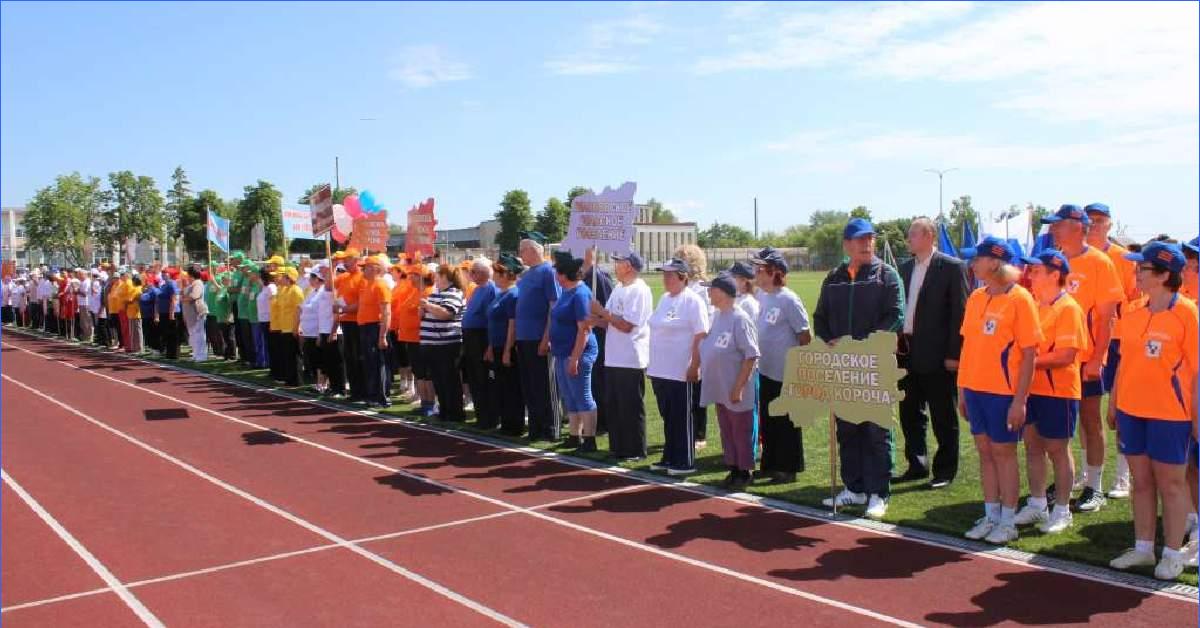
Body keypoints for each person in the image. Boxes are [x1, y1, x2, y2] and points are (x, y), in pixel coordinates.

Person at [1107, 242, 1198, 581]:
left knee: (1171, 486)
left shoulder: (1188, 313)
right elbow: (1123, 364)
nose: (1136, 273)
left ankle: (1172, 554)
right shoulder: (1132, 312)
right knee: (1141, 483)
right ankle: (1143, 548)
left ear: (1162, 275)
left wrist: (1196, 418)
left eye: (1142, 269)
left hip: (1171, 415)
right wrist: (1115, 402)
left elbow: (1198, 372)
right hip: (1133, 412)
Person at [814, 219, 904, 520]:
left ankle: (879, 492)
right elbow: (821, 318)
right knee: (848, 429)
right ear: (846, 244)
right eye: (859, 239)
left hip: (875, 366)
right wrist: (829, 341)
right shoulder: (834, 278)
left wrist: (859, 344)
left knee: (877, 431)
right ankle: (855, 487)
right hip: (843, 369)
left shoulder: (886, 275)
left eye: (870, 238)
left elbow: (896, 317)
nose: (866, 244)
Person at [956, 236, 1041, 544]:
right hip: (975, 390)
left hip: (1003, 393)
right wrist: (962, 389)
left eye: (976, 258)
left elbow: (1030, 353)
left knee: (1004, 454)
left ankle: (1008, 520)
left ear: (994, 262)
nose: (972, 263)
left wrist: (1020, 401)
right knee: (985, 453)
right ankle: (990, 515)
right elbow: (967, 348)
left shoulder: (1021, 299)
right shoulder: (976, 297)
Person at [1043, 204, 1123, 512]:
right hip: (1055, 359)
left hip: (1085, 358)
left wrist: (1097, 359)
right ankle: (1064, 481)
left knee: (1091, 420)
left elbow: (1107, 319)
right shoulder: (1055, 261)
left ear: (1077, 227)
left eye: (1058, 224)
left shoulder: (1100, 263)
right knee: (1059, 424)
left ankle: (1095, 486)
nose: (1053, 229)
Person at [1010, 250, 1087, 535]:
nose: (1030, 275)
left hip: (1059, 392)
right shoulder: (1035, 305)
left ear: (1056, 275)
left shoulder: (1069, 308)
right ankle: (1037, 503)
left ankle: (1063, 509)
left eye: (1037, 271)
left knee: (1057, 449)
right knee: (1032, 446)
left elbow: (1066, 356)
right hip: (1033, 390)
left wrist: (1025, 363)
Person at [896, 217, 970, 489]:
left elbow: (959, 314)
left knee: (942, 413)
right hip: (905, 350)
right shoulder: (904, 269)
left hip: (938, 353)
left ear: (928, 236)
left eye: (913, 234)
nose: (908, 239)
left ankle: (945, 470)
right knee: (909, 410)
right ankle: (917, 463)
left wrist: (954, 354)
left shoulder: (951, 267)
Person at [1083, 203, 1141, 499]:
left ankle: (1122, 475)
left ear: (1109, 224)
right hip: (1085, 342)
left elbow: (1134, 297)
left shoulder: (1121, 257)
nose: (1093, 225)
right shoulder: (1073, 257)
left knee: (1120, 408)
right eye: (1089, 220)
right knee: (1087, 412)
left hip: (1118, 340)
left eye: (1099, 221)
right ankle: (1088, 473)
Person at [751, 246, 813, 485]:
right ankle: (770, 463)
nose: (756, 272)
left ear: (774, 271)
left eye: (760, 268)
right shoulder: (763, 296)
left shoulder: (788, 299)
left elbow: (804, 335)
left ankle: (788, 468)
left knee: (787, 422)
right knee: (769, 419)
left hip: (786, 372)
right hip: (766, 369)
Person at [647, 257, 709, 476]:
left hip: (681, 369)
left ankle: (685, 460)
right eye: (663, 274)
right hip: (660, 369)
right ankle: (670, 455)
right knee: (668, 416)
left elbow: (701, 334)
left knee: (682, 416)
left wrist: (695, 365)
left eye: (670, 274)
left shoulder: (692, 301)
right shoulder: (664, 298)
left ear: (683, 277)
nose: (665, 278)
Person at [699, 271, 760, 490]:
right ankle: (733, 468)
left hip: (735, 388)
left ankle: (744, 471)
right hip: (720, 387)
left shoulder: (740, 318)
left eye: (711, 289)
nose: (708, 293)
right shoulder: (719, 316)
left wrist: (739, 387)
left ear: (722, 293)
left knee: (740, 430)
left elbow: (751, 355)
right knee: (727, 430)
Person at [591, 251, 654, 461]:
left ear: (629, 266)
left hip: (630, 356)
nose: (614, 265)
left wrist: (602, 312)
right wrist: (593, 318)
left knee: (631, 405)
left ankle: (635, 449)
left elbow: (627, 325)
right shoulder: (618, 287)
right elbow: (609, 320)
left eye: (618, 262)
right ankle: (617, 447)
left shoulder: (639, 290)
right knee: (614, 403)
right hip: (613, 356)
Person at [550, 251, 599, 452]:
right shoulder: (566, 292)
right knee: (569, 394)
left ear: (563, 275)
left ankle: (589, 439)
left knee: (582, 394)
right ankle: (574, 435)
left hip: (578, 352)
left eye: (557, 272)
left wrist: (575, 358)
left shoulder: (580, 294)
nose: (555, 276)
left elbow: (584, 330)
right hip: (562, 351)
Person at [514, 234, 562, 441]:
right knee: (530, 385)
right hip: (523, 338)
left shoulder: (548, 272)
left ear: (534, 251)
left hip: (538, 337)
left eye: (522, 250)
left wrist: (547, 337)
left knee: (544, 386)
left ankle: (551, 428)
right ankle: (535, 427)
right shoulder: (526, 275)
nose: (519, 254)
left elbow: (554, 306)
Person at [675, 243, 712, 450]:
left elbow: (707, 321)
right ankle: (684, 429)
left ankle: (699, 434)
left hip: (698, 345)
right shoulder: (682, 288)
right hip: (680, 346)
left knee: (698, 392)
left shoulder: (703, 288)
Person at [419, 264, 467, 420]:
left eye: (438, 275)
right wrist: (422, 309)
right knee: (439, 380)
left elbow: (446, 314)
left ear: (445, 276)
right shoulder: (435, 294)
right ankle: (444, 410)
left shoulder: (454, 293)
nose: (436, 279)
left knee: (450, 380)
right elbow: (425, 315)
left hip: (447, 344)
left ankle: (455, 412)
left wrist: (428, 306)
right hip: (432, 344)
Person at [485, 254, 525, 434]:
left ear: (505, 275)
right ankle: (505, 421)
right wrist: (491, 347)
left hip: (507, 347)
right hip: (497, 345)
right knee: (500, 385)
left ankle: (514, 424)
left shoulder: (513, 294)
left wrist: (508, 350)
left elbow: (512, 324)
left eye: (496, 274)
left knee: (511, 386)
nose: (493, 277)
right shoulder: (501, 294)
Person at [580, 247, 615, 434]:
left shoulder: (598, 278)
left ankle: (603, 421)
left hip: (600, 337)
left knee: (598, 380)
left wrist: (598, 320)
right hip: (585, 336)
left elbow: (609, 310)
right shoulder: (582, 277)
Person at [352, 254, 394, 408]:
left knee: (378, 362)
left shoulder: (381, 285)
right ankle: (372, 394)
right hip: (365, 327)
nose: (362, 269)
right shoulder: (366, 285)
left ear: (375, 269)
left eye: (365, 267)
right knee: (369, 363)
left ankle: (381, 396)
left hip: (375, 327)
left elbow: (386, 312)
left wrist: (382, 335)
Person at [462, 257, 498, 425]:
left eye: (473, 272)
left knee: (483, 377)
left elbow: (491, 319)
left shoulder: (491, 289)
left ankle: (489, 416)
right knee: (474, 376)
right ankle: (481, 414)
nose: (470, 275)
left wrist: (490, 345)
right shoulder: (477, 289)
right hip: (471, 338)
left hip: (481, 337)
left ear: (482, 273)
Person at [398, 264, 435, 414]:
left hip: (422, 338)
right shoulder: (414, 292)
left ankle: (430, 404)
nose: (410, 277)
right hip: (411, 338)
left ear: (422, 277)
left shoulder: (429, 292)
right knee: (419, 372)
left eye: (413, 274)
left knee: (426, 372)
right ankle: (424, 402)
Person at [335, 248, 366, 402]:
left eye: (348, 259)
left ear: (356, 260)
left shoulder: (362, 277)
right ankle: (355, 391)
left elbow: (361, 302)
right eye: (344, 260)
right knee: (350, 358)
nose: (345, 262)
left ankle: (362, 391)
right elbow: (329, 287)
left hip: (357, 322)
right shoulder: (343, 277)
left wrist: (345, 308)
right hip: (346, 322)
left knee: (358, 357)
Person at [274, 267, 305, 386]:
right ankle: (289, 378)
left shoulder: (296, 290)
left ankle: (297, 379)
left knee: (295, 354)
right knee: (287, 354)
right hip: (284, 327)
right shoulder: (286, 290)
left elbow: (300, 310)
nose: (283, 279)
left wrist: (297, 327)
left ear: (290, 278)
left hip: (293, 327)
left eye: (286, 277)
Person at [181, 266, 208, 362]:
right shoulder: (191, 284)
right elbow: (183, 293)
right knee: (192, 334)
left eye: (188, 273)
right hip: (190, 313)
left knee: (198, 334)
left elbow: (195, 296)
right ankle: (196, 354)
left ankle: (201, 355)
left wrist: (184, 299)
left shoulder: (198, 283)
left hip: (197, 312)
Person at [156, 269, 180, 359]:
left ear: (169, 274)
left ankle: (174, 354)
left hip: (171, 312)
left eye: (165, 273)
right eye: (162, 273)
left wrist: (172, 313)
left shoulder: (171, 283)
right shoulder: (163, 285)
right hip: (164, 312)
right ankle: (169, 353)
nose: (163, 275)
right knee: (166, 333)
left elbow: (174, 298)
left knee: (172, 333)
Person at [124, 275, 144, 353]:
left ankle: (139, 348)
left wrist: (128, 301)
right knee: (132, 331)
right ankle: (134, 347)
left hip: (136, 312)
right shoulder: (133, 289)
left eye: (134, 280)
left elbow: (133, 299)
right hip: (131, 312)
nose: (132, 281)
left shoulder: (139, 288)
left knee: (137, 331)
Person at [139, 277, 159, 352]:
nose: (146, 283)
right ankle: (150, 346)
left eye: (147, 282)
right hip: (145, 315)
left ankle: (155, 348)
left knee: (152, 332)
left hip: (151, 315)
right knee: (147, 332)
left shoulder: (153, 290)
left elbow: (144, 298)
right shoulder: (147, 290)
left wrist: (142, 293)